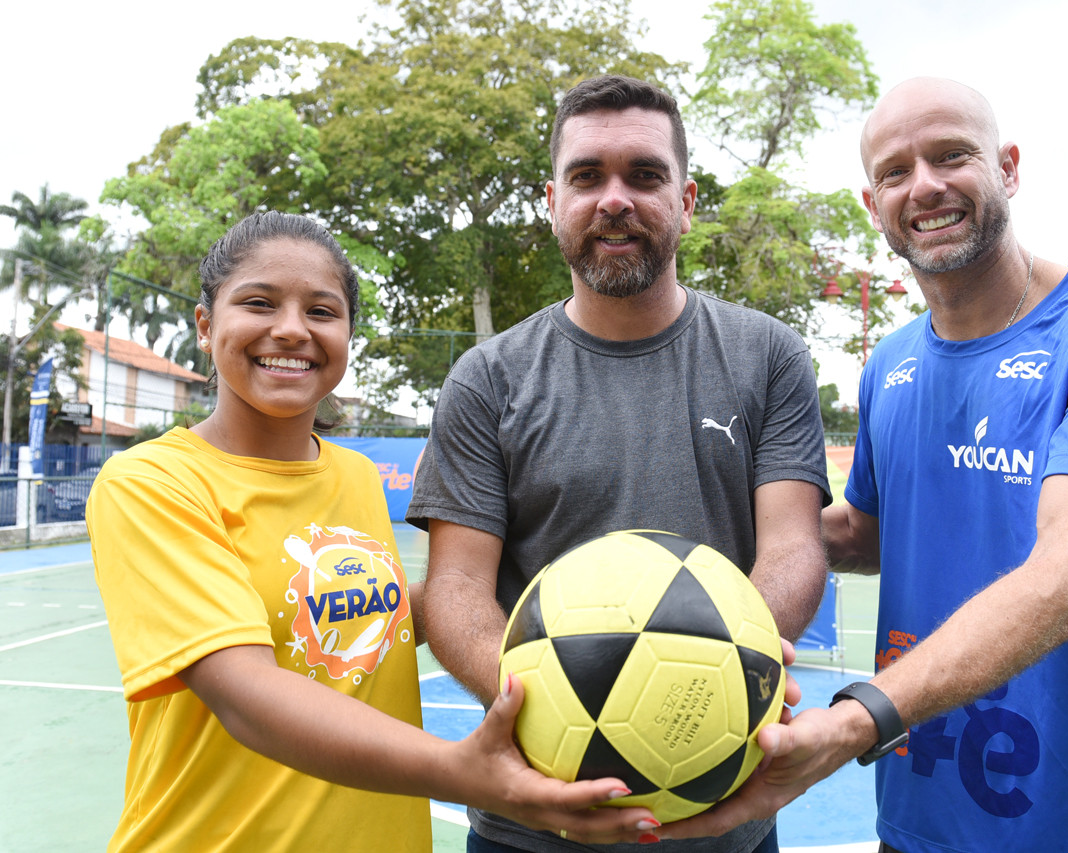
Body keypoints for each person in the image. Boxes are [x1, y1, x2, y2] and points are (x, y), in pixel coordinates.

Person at [658, 77, 1068, 852]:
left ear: (1009, 168)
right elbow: (863, 533)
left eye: (952, 156)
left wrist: (856, 717)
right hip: (923, 821)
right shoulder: (892, 362)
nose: (924, 186)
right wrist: (675, 542)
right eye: (895, 171)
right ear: (873, 204)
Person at [87, 211, 660, 852]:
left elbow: (372, 619)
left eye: (323, 311)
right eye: (258, 303)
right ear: (204, 325)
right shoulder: (151, 482)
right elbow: (244, 691)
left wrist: (579, 592)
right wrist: (463, 773)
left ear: (348, 335)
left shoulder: (356, 476)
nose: (292, 330)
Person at [407, 75, 830, 853]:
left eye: (644, 175)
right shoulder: (487, 376)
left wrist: (729, 669)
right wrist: (553, 712)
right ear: (551, 200)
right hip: (529, 823)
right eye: (587, 176)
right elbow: (458, 587)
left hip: (721, 818)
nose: (614, 199)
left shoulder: (767, 354)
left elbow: (794, 545)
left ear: (687, 199)